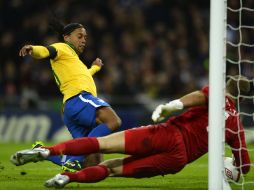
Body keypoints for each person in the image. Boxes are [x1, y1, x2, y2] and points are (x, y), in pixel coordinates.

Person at [11, 76, 251, 188]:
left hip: (166, 133)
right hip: (177, 160)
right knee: (111, 168)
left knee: (101, 144)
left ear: (225, 86)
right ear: (241, 98)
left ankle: (47, 151)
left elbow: (200, 96)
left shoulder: (215, 93)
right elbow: (245, 168)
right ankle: (67, 178)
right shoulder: (236, 126)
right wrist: (231, 168)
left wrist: (173, 105)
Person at [19, 21, 121, 171]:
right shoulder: (62, 48)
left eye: (85, 37)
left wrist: (95, 68)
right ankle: (74, 159)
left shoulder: (73, 60)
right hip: (79, 99)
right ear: (66, 37)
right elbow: (47, 51)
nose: (83, 40)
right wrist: (32, 49)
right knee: (113, 120)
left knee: (93, 162)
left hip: (71, 108)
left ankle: (45, 153)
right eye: (79, 36)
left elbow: (84, 75)